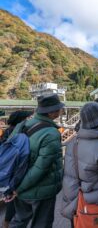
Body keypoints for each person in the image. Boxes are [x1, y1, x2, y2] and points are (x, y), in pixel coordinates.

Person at [9, 94, 64, 228]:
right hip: (42, 189)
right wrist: (19, 188)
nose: (60, 111)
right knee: (42, 223)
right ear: (51, 112)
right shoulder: (51, 133)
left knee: (19, 220)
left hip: (19, 182)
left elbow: (10, 153)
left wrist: (16, 187)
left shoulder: (22, 125)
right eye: (58, 109)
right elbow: (41, 168)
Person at [1, 111, 33, 228]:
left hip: (8, 171)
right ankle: (7, 224)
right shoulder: (19, 132)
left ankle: (6, 224)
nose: (29, 120)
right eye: (27, 118)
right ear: (21, 120)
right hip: (15, 171)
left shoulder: (7, 131)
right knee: (14, 203)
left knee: (11, 201)